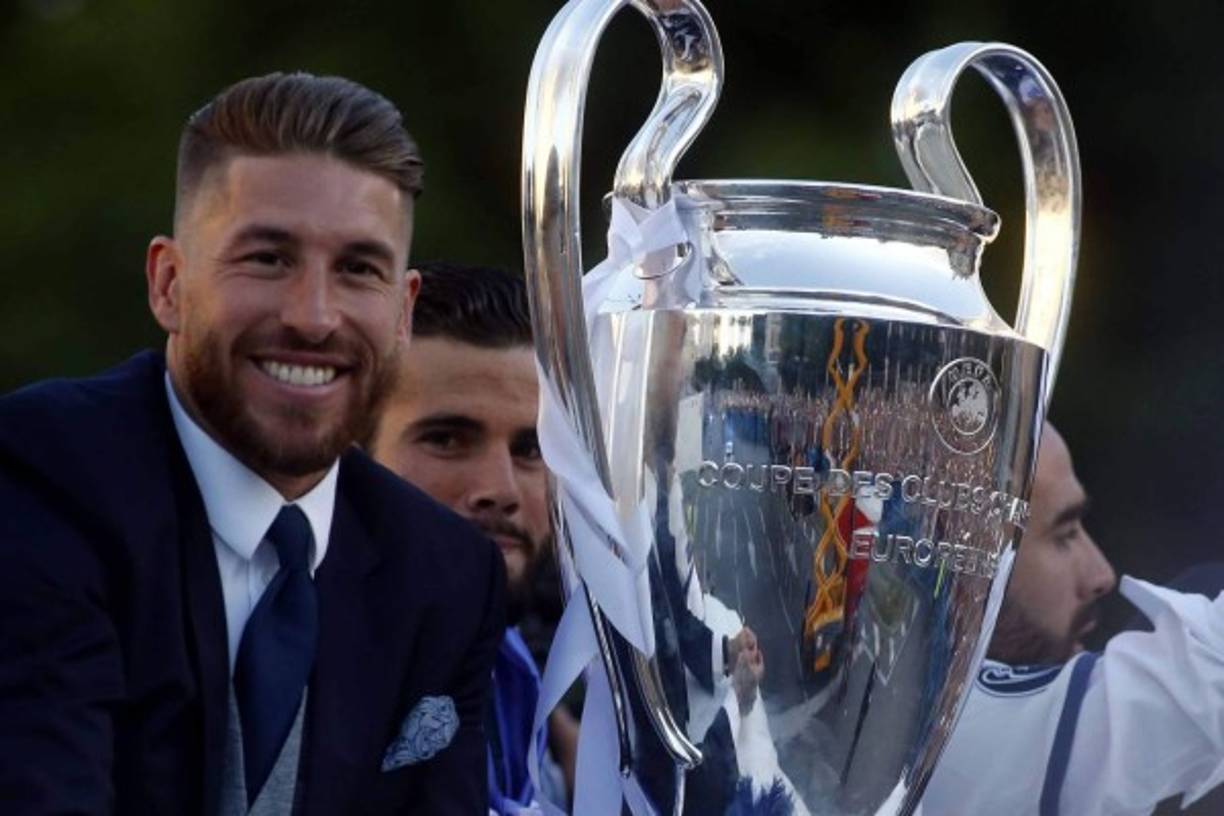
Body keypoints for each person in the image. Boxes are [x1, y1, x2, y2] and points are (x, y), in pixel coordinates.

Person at [0, 73, 504, 815]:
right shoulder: (40, 477)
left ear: (403, 312)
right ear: (169, 284)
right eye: (268, 258)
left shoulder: (448, 572)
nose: (314, 317)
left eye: (358, 269)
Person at [921, 423, 1224, 815]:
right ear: (953, 564)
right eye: (1062, 534)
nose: (1102, 575)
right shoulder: (930, 733)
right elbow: (1205, 676)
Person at [365, 262, 577, 814]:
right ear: (352, 454)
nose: (499, 489)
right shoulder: (293, 694)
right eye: (447, 439)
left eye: (531, 449)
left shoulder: (528, 675)